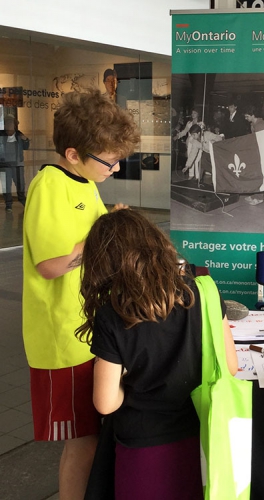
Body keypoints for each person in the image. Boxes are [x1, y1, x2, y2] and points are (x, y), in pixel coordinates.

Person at [22, 89, 140, 500]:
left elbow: (81, 237)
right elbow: (49, 265)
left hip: (89, 328)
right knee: (83, 438)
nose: (116, 166)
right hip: (63, 338)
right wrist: (99, 239)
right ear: (73, 154)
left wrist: (108, 222)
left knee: (94, 430)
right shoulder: (49, 186)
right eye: (109, 160)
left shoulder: (84, 181)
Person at [75, 209, 238, 500]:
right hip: (203, 436)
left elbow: (105, 403)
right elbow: (230, 365)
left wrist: (127, 377)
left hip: (143, 445)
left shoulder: (113, 313)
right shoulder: (203, 291)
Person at [0, 114, 29, 212]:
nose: (9, 125)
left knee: (20, 184)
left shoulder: (19, 134)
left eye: (11, 123)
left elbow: (26, 146)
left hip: (17, 165)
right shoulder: (1, 135)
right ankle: (8, 205)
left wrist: (25, 140)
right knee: (6, 186)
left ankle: (22, 200)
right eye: (7, 122)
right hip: (5, 165)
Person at [243, 105, 264, 206]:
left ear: (253, 115)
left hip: (261, 152)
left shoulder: (261, 125)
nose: (246, 118)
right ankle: (254, 194)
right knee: (253, 174)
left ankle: (259, 197)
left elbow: (263, 141)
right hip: (255, 151)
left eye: (247, 116)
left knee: (258, 175)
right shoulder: (253, 124)